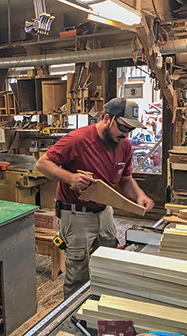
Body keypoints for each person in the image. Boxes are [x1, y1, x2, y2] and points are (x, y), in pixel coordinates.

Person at [36, 97, 155, 298]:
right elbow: (42, 163)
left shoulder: (123, 145)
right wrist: (70, 177)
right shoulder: (78, 139)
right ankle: (73, 320)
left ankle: (103, 310)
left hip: (105, 212)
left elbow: (126, 179)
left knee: (110, 263)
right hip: (76, 214)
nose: (126, 134)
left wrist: (140, 196)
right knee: (77, 274)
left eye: (131, 130)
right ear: (108, 118)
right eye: (124, 127)